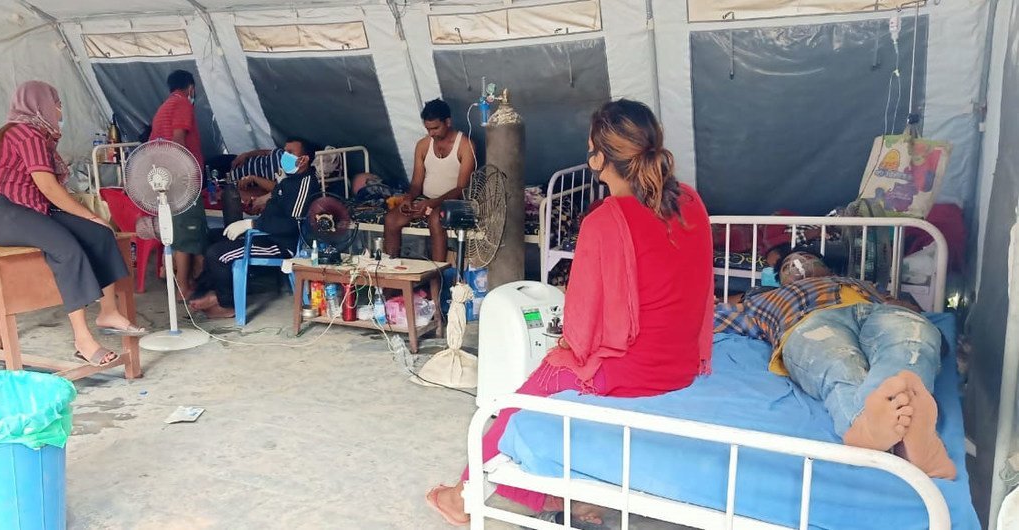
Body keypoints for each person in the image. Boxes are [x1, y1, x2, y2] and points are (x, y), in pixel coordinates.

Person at [426, 100, 715, 527]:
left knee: (521, 399)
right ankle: (571, 496)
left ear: (599, 157)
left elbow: (581, 331)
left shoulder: (607, 219)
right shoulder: (690, 201)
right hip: (685, 363)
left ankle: (464, 497)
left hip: (633, 372)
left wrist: (563, 350)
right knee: (555, 383)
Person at [715, 248, 956, 479]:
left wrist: (904, 309)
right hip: (809, 322)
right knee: (837, 362)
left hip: (877, 312)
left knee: (910, 340)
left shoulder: (863, 285)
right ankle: (872, 427)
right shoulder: (764, 299)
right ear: (780, 280)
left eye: (808, 258)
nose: (799, 264)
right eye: (789, 265)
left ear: (827, 268)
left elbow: (915, 312)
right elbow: (712, 318)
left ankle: (902, 432)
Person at [0, 81, 145, 366]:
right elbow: (49, 187)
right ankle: (82, 340)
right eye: (56, 103)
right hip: (1, 213)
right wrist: (88, 213)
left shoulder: (36, 135)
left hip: (31, 208)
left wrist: (94, 221)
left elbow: (44, 194)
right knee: (66, 247)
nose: (60, 109)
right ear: (40, 106)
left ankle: (108, 311)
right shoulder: (27, 135)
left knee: (101, 233)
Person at [189, 139, 317, 319]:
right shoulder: (288, 182)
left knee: (218, 254)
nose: (284, 156)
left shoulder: (305, 183)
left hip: (281, 245)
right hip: (266, 234)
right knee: (211, 237)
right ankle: (210, 292)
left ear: (303, 160)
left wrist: (252, 224)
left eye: (290, 152)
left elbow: (292, 225)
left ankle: (226, 304)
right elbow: (276, 210)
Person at [384, 99, 475, 262]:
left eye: (435, 128)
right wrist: (408, 199)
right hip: (426, 200)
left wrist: (433, 203)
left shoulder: (465, 146)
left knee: (435, 218)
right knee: (391, 219)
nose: (431, 133)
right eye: (428, 129)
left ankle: (436, 282)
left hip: (453, 202)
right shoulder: (423, 145)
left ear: (448, 122)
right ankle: (391, 282)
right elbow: (416, 184)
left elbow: (462, 188)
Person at [149, 69, 208, 299]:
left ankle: (185, 279)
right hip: (181, 179)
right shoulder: (183, 104)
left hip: (166, 178)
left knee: (180, 231)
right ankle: (183, 287)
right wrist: (184, 172)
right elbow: (178, 139)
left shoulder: (163, 108)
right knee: (187, 232)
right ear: (191, 87)